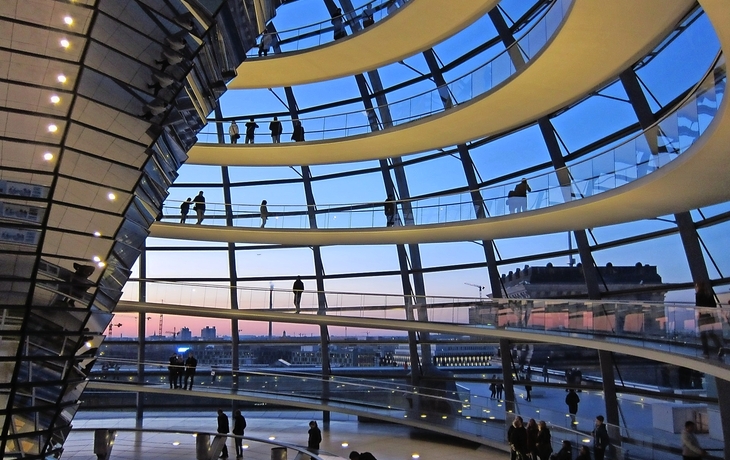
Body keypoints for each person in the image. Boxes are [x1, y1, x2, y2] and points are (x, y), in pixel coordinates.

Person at [696, 280, 725, 358]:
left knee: (703, 335)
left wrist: (699, 314)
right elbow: (714, 306)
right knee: (711, 333)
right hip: (710, 316)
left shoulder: (698, 295)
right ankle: (719, 346)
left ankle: (706, 352)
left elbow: (698, 306)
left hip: (703, 317)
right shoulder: (709, 294)